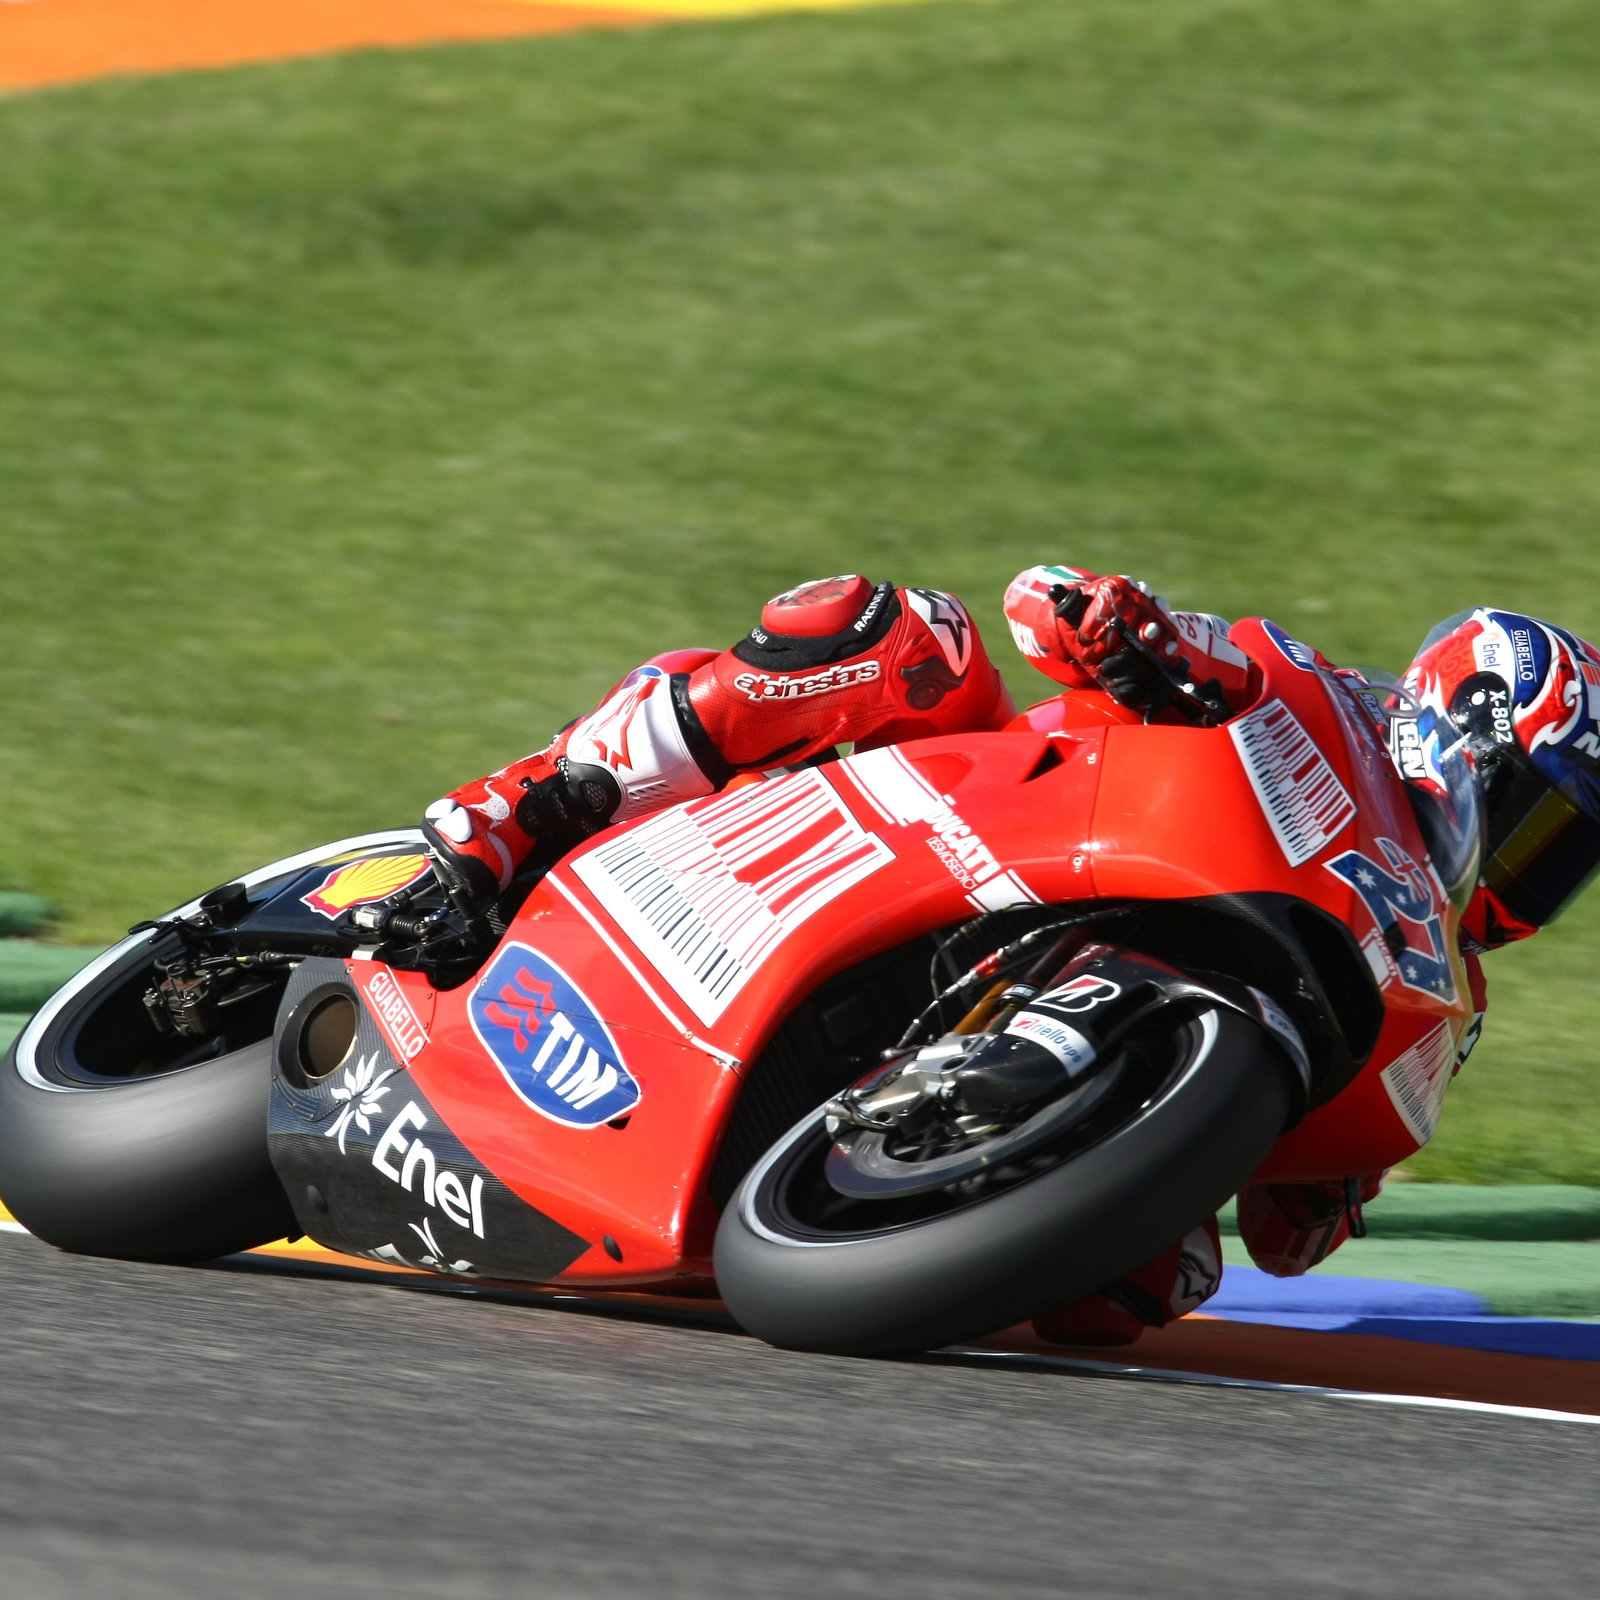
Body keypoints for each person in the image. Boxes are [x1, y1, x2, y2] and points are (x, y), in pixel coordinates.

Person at [422, 569, 1600, 1346]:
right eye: (1540, 819)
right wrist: (1117, 631)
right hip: (994, 821)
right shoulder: (1313, 695)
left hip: (1154, 1003)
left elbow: (1288, 1235)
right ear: (1459, 720)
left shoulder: (1443, 996)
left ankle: (873, 1173)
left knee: (1138, 1292)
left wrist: (1325, 1183)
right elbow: (1054, 605)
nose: (1535, 868)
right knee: (901, 637)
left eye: (1567, 856)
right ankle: (532, 802)